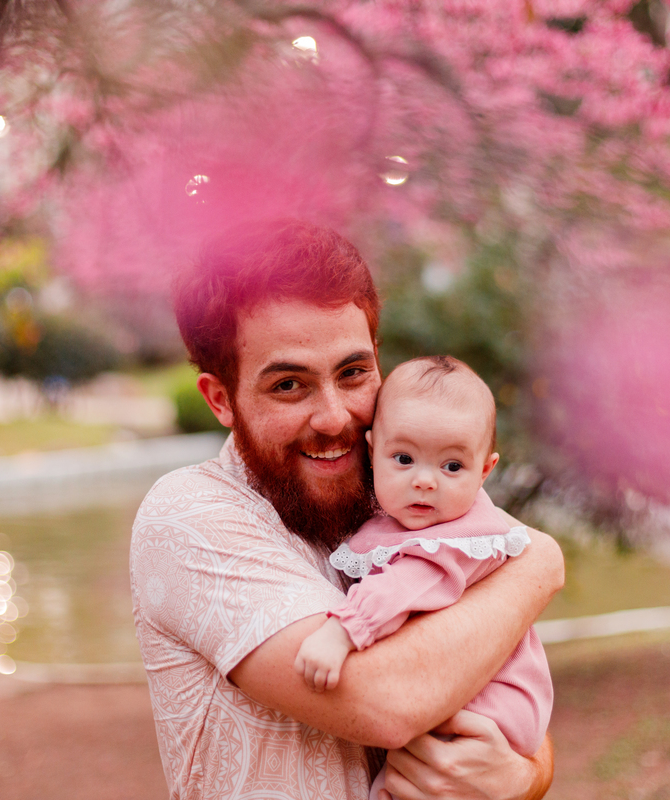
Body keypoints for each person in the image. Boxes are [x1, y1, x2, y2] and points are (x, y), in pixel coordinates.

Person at [130, 219, 564, 800]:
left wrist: (526, 775)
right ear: (221, 399)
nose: (335, 417)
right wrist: (538, 566)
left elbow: (499, 670)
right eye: (289, 385)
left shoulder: (401, 490)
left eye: (353, 373)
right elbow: (387, 703)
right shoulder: (188, 516)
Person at [295, 355, 553, 800]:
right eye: (404, 458)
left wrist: (345, 630)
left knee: (414, 778)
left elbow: (410, 584)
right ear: (372, 452)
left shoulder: (460, 538)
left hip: (491, 703)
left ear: (485, 470)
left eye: (452, 466)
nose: (425, 481)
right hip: (462, 693)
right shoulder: (398, 521)